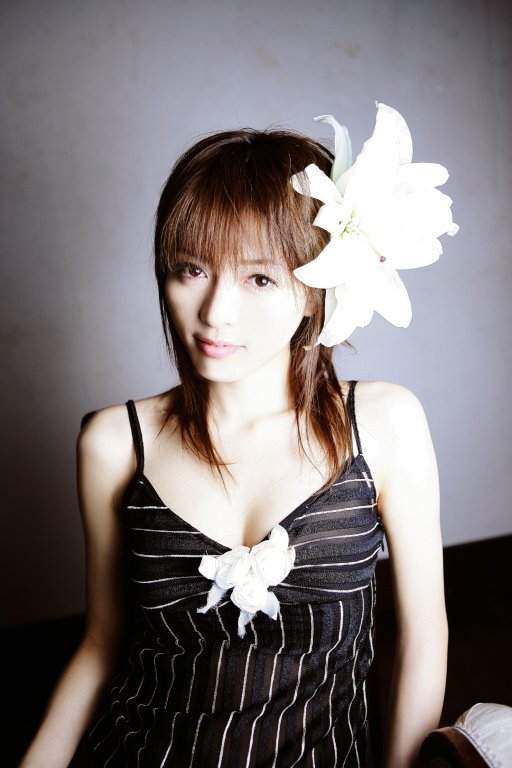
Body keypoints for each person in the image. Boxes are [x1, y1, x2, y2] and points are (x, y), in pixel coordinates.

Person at [20, 104, 455, 767]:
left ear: (317, 288)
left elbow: (424, 639)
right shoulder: (115, 442)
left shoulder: (385, 424)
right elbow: (101, 645)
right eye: (191, 268)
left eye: (259, 277)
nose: (216, 312)